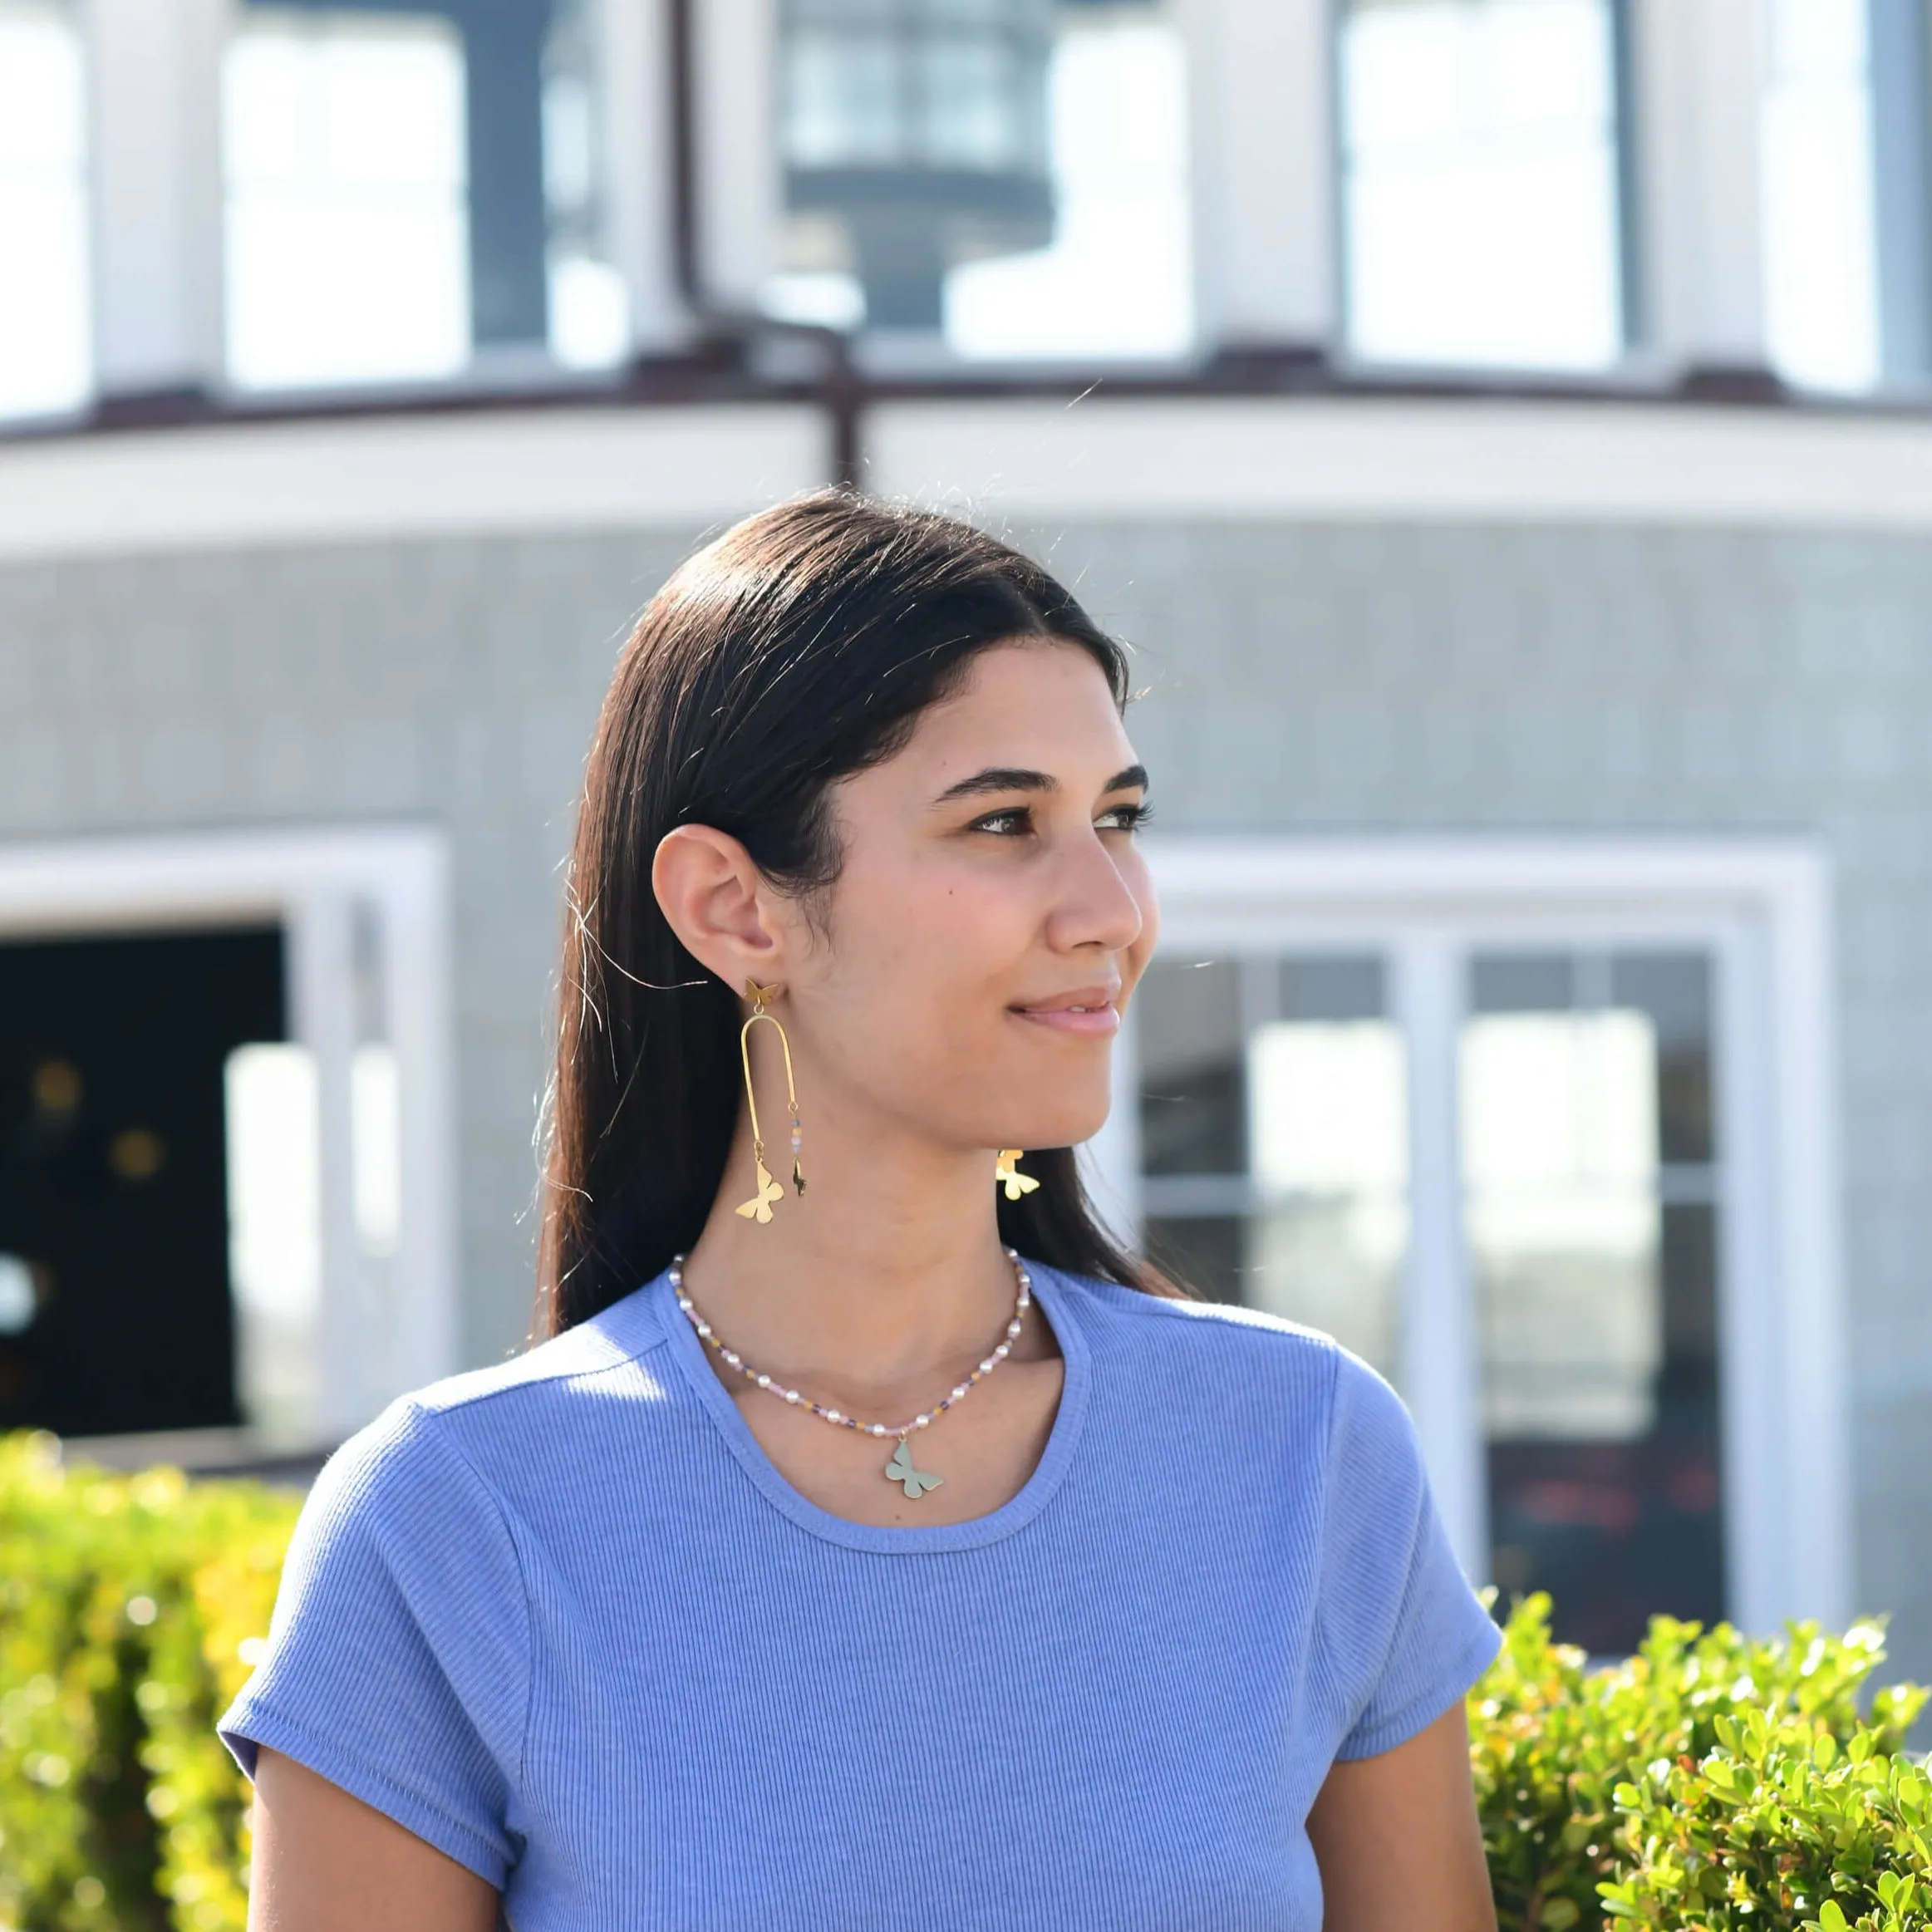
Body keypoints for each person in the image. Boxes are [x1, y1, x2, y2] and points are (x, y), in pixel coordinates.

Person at [216, 491, 1502, 1931]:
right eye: (1005, 822)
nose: (1111, 908)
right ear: (736, 910)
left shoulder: (1306, 1456)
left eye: (1119, 821)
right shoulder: (452, 1524)